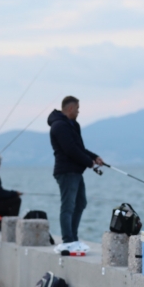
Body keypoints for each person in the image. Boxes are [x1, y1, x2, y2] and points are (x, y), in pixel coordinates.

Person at [48, 96, 103, 252]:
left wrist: (94, 157)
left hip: (76, 171)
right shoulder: (59, 126)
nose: (79, 111)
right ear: (70, 108)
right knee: (68, 205)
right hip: (66, 172)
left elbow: (79, 147)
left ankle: (73, 238)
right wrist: (89, 163)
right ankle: (68, 240)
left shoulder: (73, 125)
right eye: (78, 108)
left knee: (80, 203)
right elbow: (70, 149)